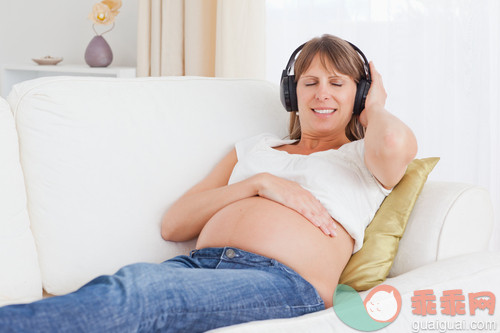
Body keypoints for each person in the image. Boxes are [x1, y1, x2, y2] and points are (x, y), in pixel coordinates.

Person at [0, 34, 417, 332]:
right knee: (123, 289)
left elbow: (396, 141)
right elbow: (174, 224)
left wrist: (374, 105)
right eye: (309, 82)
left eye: (337, 84)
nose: (321, 93)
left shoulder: (361, 159)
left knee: (138, 294)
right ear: (293, 94)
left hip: (284, 282)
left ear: (357, 97)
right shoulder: (256, 150)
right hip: (197, 266)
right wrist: (259, 184)